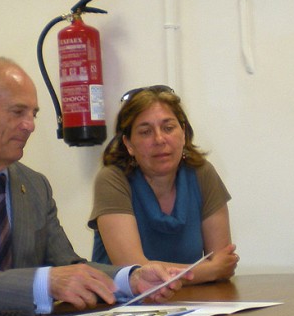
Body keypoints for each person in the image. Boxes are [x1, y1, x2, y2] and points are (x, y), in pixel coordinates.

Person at [0, 57, 187, 316]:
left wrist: (130, 279)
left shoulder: (34, 186)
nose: (30, 125)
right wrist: (43, 284)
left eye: (34, 114)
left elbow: (68, 266)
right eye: (18, 112)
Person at [88, 86, 238, 284]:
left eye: (168, 128)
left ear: (183, 134)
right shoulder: (112, 180)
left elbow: (223, 264)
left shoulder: (202, 173)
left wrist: (214, 269)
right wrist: (209, 270)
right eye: (145, 132)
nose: (159, 139)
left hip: (195, 302)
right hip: (123, 308)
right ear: (129, 144)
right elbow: (135, 272)